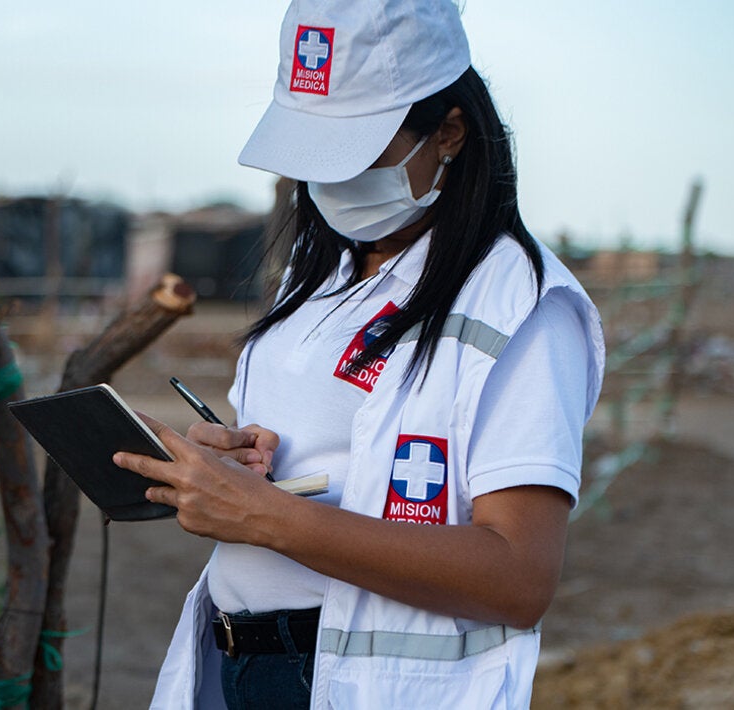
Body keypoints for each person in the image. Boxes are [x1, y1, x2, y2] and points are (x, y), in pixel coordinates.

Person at [116, 1, 605, 708]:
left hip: (356, 683)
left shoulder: (521, 309)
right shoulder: (324, 276)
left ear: (449, 132)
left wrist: (268, 518)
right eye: (312, 154)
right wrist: (246, 467)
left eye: (352, 153)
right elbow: (335, 456)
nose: (329, 182)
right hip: (236, 665)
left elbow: (519, 578)